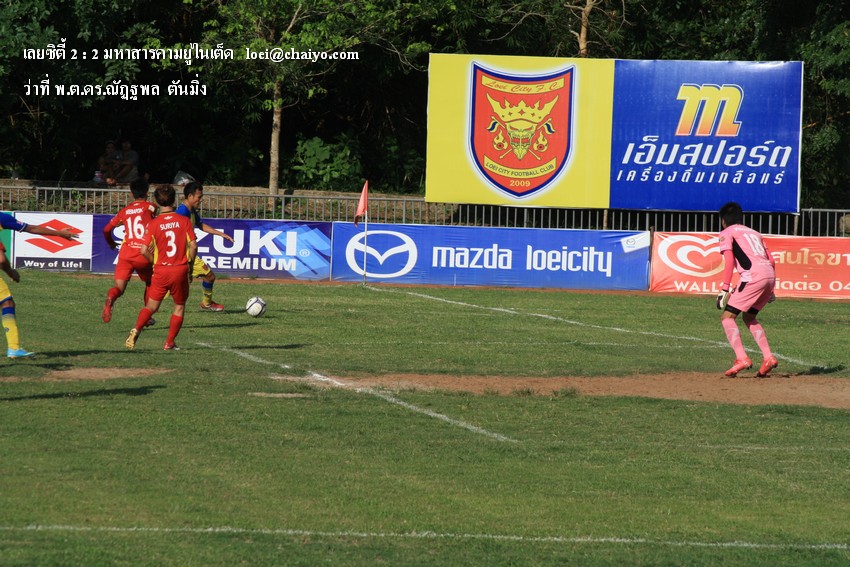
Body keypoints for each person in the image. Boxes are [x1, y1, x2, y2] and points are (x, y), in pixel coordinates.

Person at [125, 185, 197, 351]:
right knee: (179, 306)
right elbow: (193, 245)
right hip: (179, 270)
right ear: (174, 199)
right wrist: (190, 265)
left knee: (151, 306)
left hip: (161, 271)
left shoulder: (153, 223)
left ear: (156, 201)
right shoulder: (184, 221)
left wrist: (154, 262)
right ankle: (169, 342)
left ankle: (137, 328)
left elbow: (143, 250)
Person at [0, 213, 79, 358]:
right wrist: (11, 272)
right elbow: (1, 259)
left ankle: (14, 348)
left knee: (6, 302)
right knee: (7, 303)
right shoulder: (1, 217)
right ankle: (13, 348)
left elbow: (31, 228)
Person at [716, 201, 779, 377]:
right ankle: (768, 357)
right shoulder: (755, 233)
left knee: (727, 317)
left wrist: (725, 288)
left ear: (723, 220)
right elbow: (772, 260)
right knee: (749, 317)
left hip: (753, 276)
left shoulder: (727, 232)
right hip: (769, 276)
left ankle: (741, 358)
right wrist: (772, 288)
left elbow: (729, 260)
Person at [102, 178, 157, 325]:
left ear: (132, 194)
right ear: (147, 193)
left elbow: (106, 230)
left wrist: (111, 243)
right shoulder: (150, 207)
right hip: (143, 252)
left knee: (119, 288)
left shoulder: (124, 211)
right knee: (150, 282)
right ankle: (147, 316)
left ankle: (111, 298)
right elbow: (152, 225)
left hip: (126, 253)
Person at [175, 181, 233, 311]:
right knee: (208, 276)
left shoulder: (190, 210)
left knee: (207, 277)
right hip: (183, 253)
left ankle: (152, 305)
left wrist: (220, 234)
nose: (200, 200)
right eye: (199, 197)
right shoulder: (181, 212)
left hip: (187, 252)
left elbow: (200, 224)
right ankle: (206, 303)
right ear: (190, 196)